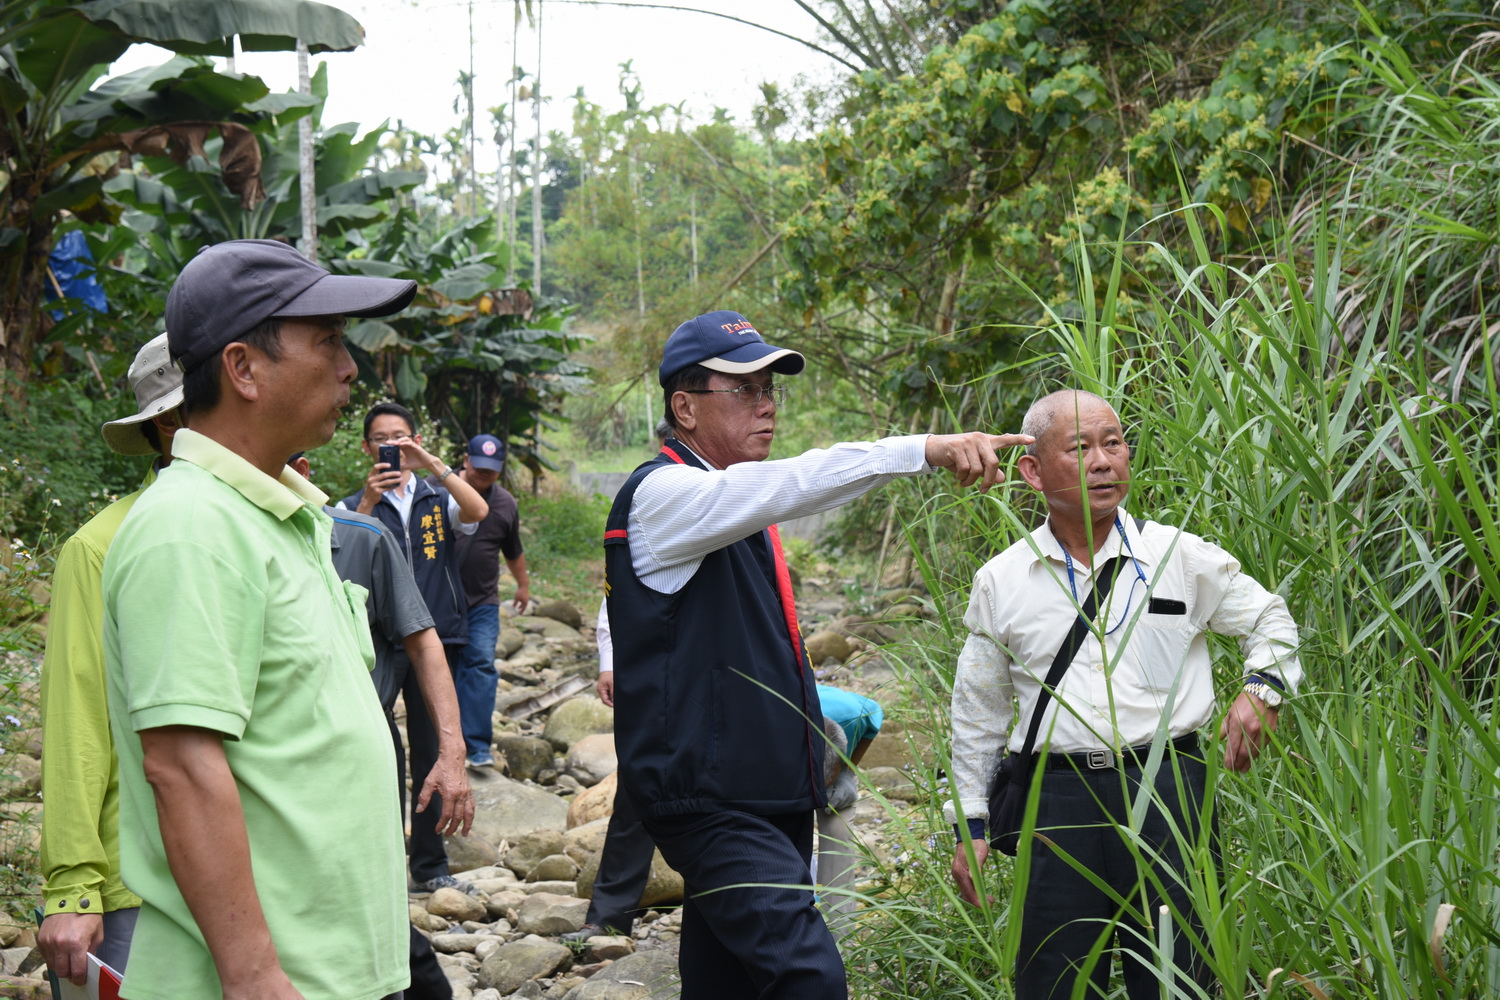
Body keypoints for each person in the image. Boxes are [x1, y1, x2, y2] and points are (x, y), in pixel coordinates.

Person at [604, 309, 1029, 999]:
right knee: (809, 976)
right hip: (712, 801)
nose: (766, 403)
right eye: (743, 389)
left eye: (771, 388)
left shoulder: (729, 513)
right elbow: (799, 480)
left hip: (764, 789)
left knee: (723, 983)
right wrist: (921, 448)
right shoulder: (667, 494)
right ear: (683, 407)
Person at [102, 238, 418, 1000]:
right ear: (242, 368)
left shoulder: (282, 518)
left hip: (337, 972)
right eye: (330, 342)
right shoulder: (191, 527)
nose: (351, 369)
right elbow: (181, 764)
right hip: (274, 982)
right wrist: (253, 974)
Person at [945, 389, 1303, 999]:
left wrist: (1261, 689)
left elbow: (1270, 619)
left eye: (1113, 443)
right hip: (1054, 804)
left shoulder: (1179, 558)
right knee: (1054, 981)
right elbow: (978, 712)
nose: (1102, 461)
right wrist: (969, 826)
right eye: (1079, 448)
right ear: (1032, 470)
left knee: (1180, 977)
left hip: (1170, 791)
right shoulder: (1003, 581)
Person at [37, 334, 182, 988]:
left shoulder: (286, 530)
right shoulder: (100, 546)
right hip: (142, 882)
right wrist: (73, 887)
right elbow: (78, 721)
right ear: (169, 425)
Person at [337, 402, 486, 893]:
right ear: (366, 448)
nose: (392, 447)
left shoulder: (434, 498)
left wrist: (433, 464)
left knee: (433, 750)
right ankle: (379, 859)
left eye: (401, 438)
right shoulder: (349, 505)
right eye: (382, 439)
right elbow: (340, 559)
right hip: (377, 641)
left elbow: (478, 510)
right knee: (380, 748)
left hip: (435, 638)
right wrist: (364, 506)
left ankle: (428, 864)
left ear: (415, 441)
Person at [450, 433, 530, 767]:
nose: (484, 475)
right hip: (440, 600)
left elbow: (512, 550)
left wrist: (522, 586)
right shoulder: (437, 490)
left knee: (481, 666)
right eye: (479, 467)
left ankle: (478, 746)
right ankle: (447, 743)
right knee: (446, 670)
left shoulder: (505, 504)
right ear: (465, 461)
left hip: (482, 600)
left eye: (492, 470)